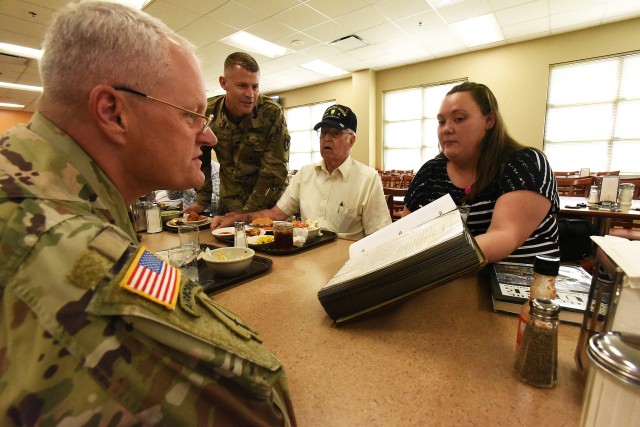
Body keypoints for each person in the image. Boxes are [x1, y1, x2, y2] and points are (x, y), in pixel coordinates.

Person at [0, 2, 295, 425]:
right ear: (113, 112)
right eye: (191, 114)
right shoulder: (70, 246)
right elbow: (264, 401)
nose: (207, 133)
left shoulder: (27, 175)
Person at [402, 82, 560, 263]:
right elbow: (404, 232)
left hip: (518, 281)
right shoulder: (430, 172)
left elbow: (504, 236)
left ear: (489, 120)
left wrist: (431, 261)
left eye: (459, 119)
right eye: (441, 121)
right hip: (448, 279)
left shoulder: (525, 163)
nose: (447, 128)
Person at [211, 104, 392, 240]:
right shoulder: (305, 174)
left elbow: (380, 237)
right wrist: (239, 218)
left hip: (345, 261)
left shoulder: (367, 179)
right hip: (307, 257)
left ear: (351, 140)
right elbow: (276, 215)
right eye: (323, 132)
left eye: (335, 133)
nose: (327, 138)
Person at [183, 52, 290, 216]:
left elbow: (274, 172)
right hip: (229, 205)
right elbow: (201, 158)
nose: (250, 94)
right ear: (223, 82)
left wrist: (246, 215)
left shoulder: (271, 114)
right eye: (242, 86)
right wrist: (202, 200)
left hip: (265, 208)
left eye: (255, 87)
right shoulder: (209, 112)